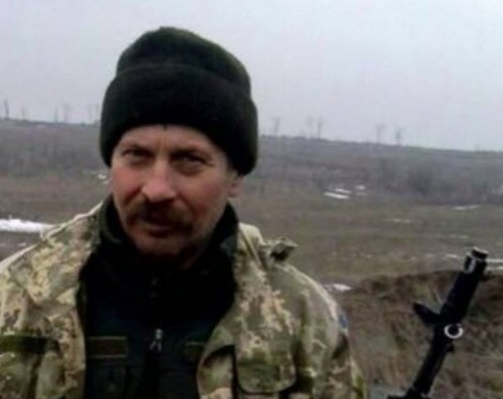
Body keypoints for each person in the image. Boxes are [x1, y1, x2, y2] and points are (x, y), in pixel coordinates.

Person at [0, 27, 365, 398]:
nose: (157, 189)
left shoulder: (303, 319)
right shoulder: (17, 298)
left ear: (235, 176)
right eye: (137, 155)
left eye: (189, 160)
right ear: (112, 162)